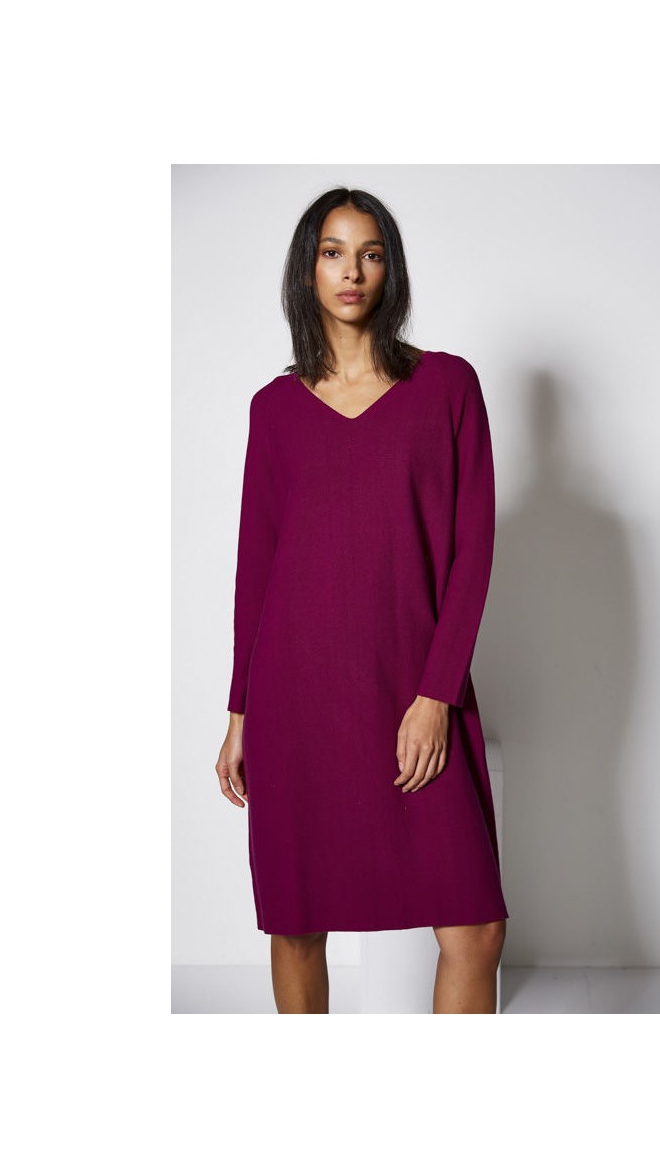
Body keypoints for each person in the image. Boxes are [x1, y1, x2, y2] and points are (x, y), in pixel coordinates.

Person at [215, 187, 509, 1014]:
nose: (353, 271)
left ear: (391, 268)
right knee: (297, 923)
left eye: (371, 253)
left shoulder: (447, 386)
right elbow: (256, 569)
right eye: (333, 252)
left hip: (413, 689)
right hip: (295, 700)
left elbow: (473, 551)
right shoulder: (274, 410)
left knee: (475, 929)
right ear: (307, 270)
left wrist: (436, 696)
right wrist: (239, 714)